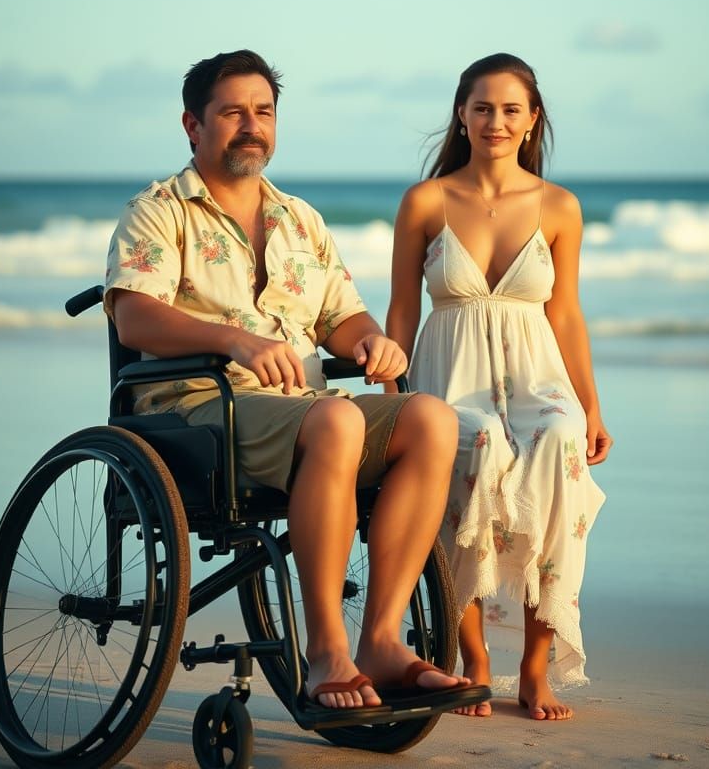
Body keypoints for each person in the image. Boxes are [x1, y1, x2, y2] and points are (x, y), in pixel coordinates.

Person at [104, 49, 470, 711]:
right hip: (194, 412)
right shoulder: (159, 211)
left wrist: (373, 344)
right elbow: (133, 316)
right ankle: (327, 649)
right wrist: (235, 340)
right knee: (336, 419)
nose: (252, 125)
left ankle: (383, 640)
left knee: (432, 418)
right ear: (193, 124)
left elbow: (342, 317)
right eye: (233, 112)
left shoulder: (300, 219)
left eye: (264, 111)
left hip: (300, 406)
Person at [387, 53, 611, 722]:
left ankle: (535, 668)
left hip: (538, 374)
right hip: (449, 378)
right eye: (482, 107)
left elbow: (565, 313)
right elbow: (401, 309)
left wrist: (591, 403)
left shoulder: (559, 207)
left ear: (531, 118)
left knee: (560, 443)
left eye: (511, 108)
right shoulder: (425, 201)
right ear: (462, 113)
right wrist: (395, 391)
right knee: (475, 447)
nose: (495, 121)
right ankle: (476, 660)